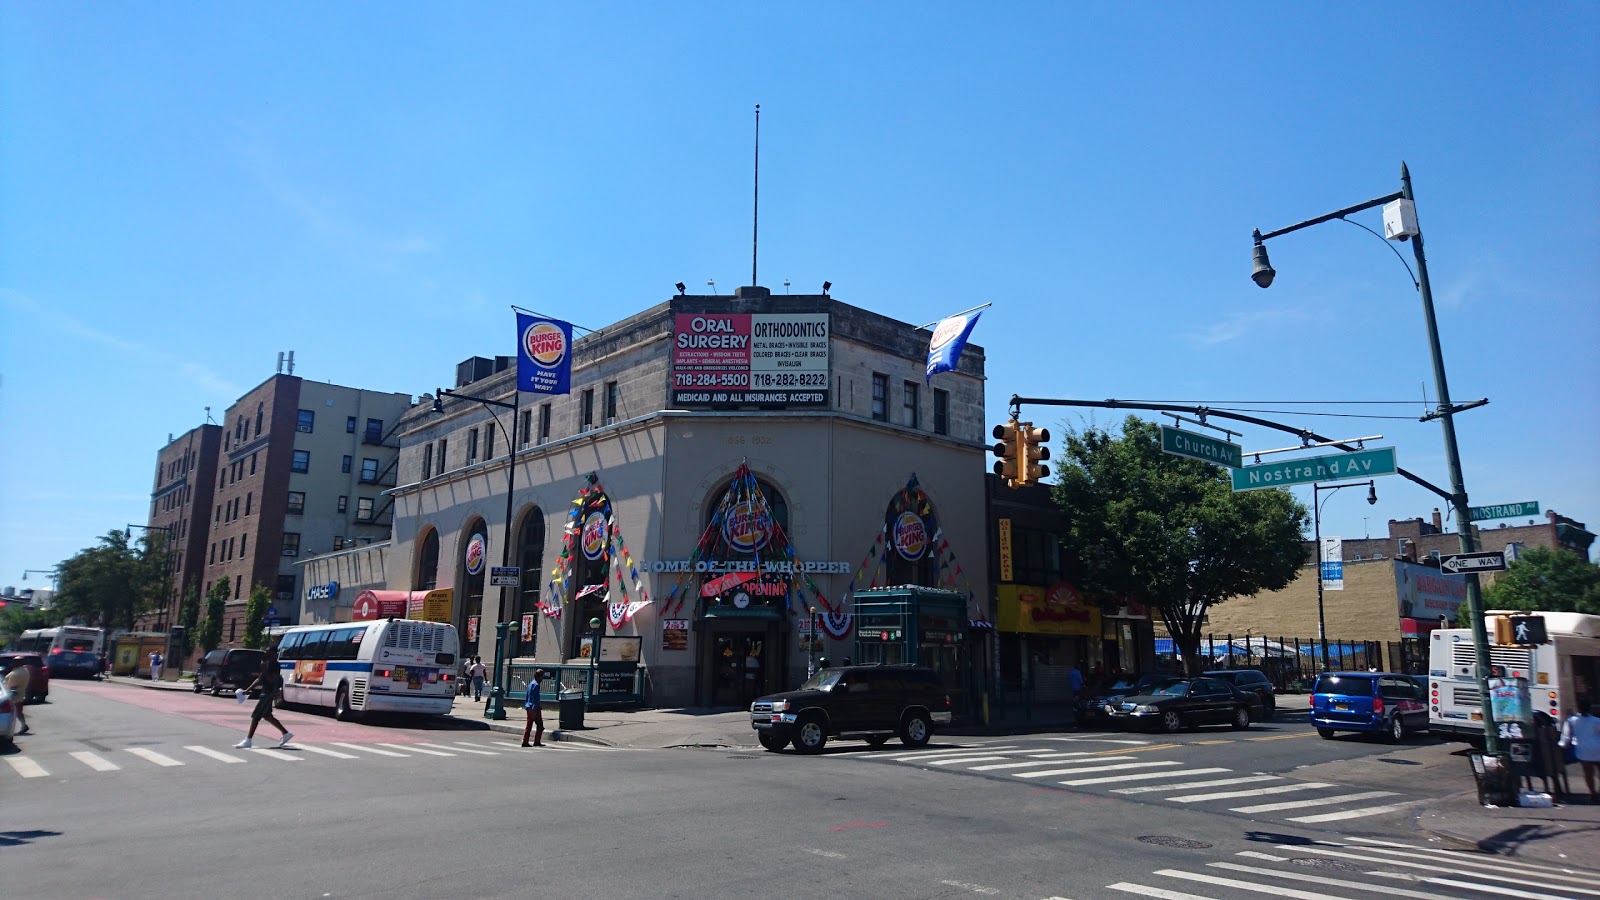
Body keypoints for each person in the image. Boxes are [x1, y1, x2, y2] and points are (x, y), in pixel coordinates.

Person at [236, 650, 292, 749]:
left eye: (269, 653)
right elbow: (260, 679)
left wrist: (264, 669)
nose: (266, 654)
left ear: (274, 654)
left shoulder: (275, 665)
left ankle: (248, 740)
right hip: (265, 692)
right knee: (267, 716)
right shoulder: (267, 664)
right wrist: (247, 690)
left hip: (268, 694)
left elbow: (271, 680)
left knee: (256, 716)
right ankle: (285, 733)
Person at [1559, 703, 1600, 801]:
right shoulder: (1597, 721)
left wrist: (1562, 746)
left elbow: (1566, 737)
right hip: (1598, 749)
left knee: (1588, 773)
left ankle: (1593, 793)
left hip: (1583, 750)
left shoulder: (1571, 720)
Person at [2, 658, 30, 736]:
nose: (12, 663)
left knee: (15, 711)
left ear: (19, 663)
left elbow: (10, 685)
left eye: (15, 662)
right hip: (19, 693)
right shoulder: (24, 670)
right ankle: (23, 725)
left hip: (14, 694)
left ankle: (23, 726)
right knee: (18, 711)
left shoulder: (17, 673)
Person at [522, 668, 545, 748]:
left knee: (529, 725)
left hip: (529, 706)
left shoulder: (531, 683)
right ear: (539, 677)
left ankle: (525, 741)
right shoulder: (536, 685)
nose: (542, 679)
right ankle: (537, 741)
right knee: (540, 725)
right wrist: (536, 708)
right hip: (534, 707)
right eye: (542, 677)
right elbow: (535, 698)